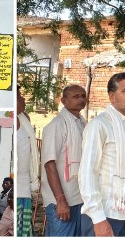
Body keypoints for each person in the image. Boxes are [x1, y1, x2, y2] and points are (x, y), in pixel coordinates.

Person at [79, 72, 125, 237]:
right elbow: (87, 174)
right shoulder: (99, 125)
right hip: (105, 214)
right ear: (111, 96)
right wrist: (98, 218)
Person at [41, 85, 87, 236]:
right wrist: (61, 200)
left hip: (80, 197)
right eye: (76, 97)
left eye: (83, 96)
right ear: (63, 101)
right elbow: (49, 164)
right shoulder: (56, 125)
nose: (81, 99)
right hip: (60, 201)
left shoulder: (83, 124)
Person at [16, 91, 39, 236]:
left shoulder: (25, 118)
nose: (24, 98)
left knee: (24, 230)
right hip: (15, 188)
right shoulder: (10, 120)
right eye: (19, 96)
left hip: (25, 185)